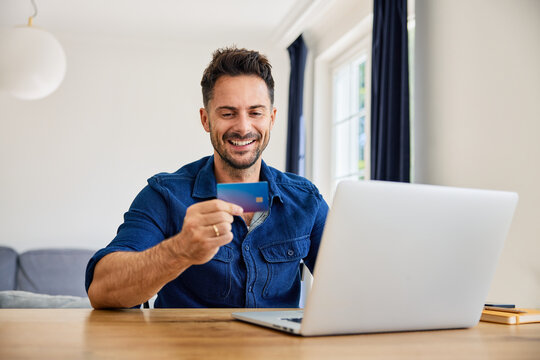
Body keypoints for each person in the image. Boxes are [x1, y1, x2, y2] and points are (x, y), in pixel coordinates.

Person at [85, 47, 329, 309]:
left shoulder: (306, 200)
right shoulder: (165, 195)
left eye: (256, 113)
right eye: (227, 113)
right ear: (206, 120)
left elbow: (352, 283)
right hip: (189, 349)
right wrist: (179, 250)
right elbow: (101, 290)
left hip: (278, 349)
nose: (244, 127)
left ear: (271, 118)